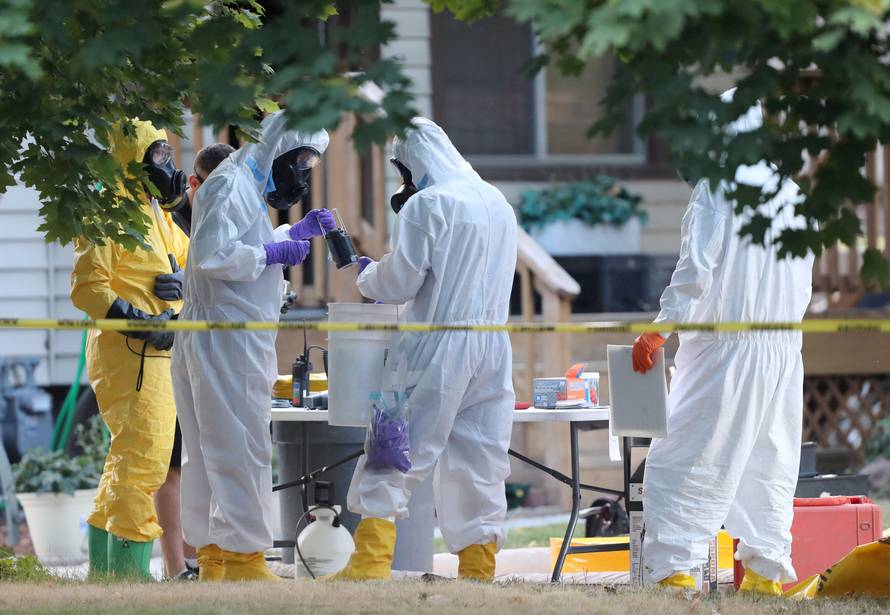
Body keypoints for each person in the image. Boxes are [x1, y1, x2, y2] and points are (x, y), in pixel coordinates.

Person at [632, 90, 814, 595]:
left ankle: (675, 575)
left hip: (723, 349)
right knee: (766, 465)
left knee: (682, 461)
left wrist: (660, 327)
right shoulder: (794, 193)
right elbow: (803, 281)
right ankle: (763, 578)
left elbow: (697, 270)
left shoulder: (719, 187)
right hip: (782, 349)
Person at [332, 117, 518, 582]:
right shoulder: (497, 201)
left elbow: (400, 282)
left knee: (392, 448)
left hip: (431, 347)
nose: (403, 182)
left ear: (412, 163)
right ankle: (478, 570)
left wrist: (367, 274)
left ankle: (370, 564)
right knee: (479, 458)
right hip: (492, 347)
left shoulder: (426, 206)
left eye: (402, 170)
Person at [171, 111, 333, 582]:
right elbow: (212, 258)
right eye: (300, 162)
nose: (301, 174)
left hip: (220, 336)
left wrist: (287, 236)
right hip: (227, 340)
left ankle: (218, 557)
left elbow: (235, 246)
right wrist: (271, 252)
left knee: (212, 449)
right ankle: (243, 561)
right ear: (279, 148)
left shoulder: (241, 185)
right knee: (238, 447)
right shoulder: (230, 185)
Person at [71, 119, 189, 579]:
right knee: (145, 461)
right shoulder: (106, 210)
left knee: (128, 459)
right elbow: (87, 286)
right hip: (131, 356)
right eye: (156, 155)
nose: (164, 165)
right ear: (131, 156)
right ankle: (129, 572)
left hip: (159, 354)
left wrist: (184, 278)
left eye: (166, 154)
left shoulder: (154, 211)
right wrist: (138, 322)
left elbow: (188, 253)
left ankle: (108, 573)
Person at [152, 142, 235, 581]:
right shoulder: (178, 216)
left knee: (207, 457)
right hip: (166, 352)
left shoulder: (225, 215)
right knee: (172, 463)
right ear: (193, 184)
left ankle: (201, 559)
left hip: (210, 354)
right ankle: (176, 565)